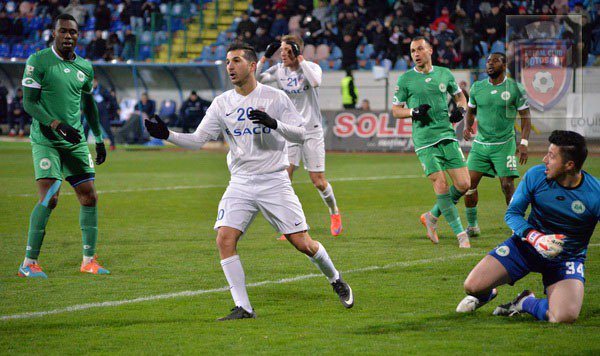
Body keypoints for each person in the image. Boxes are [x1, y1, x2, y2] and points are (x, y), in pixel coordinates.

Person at [144, 42, 353, 321]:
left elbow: (302, 134)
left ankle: (335, 278)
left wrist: (274, 124)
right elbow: (197, 140)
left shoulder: (275, 97)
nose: (230, 66)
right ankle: (243, 307)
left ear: (252, 66)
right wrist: (166, 134)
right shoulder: (222, 103)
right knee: (225, 239)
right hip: (240, 182)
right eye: (228, 61)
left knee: (302, 243)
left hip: (273, 181)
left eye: (236, 61)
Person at [456, 131, 599, 324]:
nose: (544, 159)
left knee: (563, 317)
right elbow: (512, 214)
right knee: (472, 286)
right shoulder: (536, 176)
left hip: (566, 259)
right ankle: (485, 295)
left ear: (569, 165)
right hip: (525, 247)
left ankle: (525, 302)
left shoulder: (594, 193)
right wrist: (536, 238)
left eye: (551, 156)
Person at [18, 13, 108, 279]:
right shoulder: (38, 61)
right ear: (54, 33)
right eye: (64, 31)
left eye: (73, 32)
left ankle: (89, 261)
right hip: (47, 139)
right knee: (51, 197)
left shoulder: (85, 67)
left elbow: (89, 104)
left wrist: (100, 139)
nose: (69, 36)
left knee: (89, 196)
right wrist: (56, 124)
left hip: (75, 140)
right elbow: (29, 103)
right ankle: (28, 263)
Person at [256, 35, 343, 238]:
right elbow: (256, 79)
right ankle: (291, 225)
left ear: (296, 51)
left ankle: (334, 213)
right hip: (289, 130)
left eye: (287, 51)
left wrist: (301, 58)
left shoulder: (312, 68)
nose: (282, 54)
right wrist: (264, 58)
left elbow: (315, 82)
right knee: (284, 177)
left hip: (312, 130)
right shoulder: (279, 70)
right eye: (280, 51)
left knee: (318, 181)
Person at [391, 36, 471, 248]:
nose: (415, 54)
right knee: (441, 184)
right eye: (412, 51)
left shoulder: (444, 73)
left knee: (464, 184)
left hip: (446, 134)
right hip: (424, 140)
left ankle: (432, 215)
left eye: (419, 49)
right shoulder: (406, 79)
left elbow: (460, 97)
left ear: (429, 51)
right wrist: (412, 111)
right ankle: (461, 235)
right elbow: (396, 110)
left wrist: (461, 110)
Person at [463, 53, 532, 237]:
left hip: (504, 144)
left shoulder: (515, 88)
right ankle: (472, 226)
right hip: (481, 144)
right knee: (468, 185)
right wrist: (467, 126)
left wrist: (523, 143)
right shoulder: (477, 87)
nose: (490, 64)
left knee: (507, 185)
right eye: (488, 61)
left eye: (495, 61)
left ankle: (516, 226)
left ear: (504, 65)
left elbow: (525, 117)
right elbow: (470, 111)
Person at [84, 78, 118, 150]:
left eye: (93, 82)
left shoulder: (103, 90)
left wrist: (112, 109)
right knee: (86, 128)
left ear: (96, 82)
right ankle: (83, 145)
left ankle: (113, 144)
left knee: (107, 128)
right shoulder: (88, 90)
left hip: (102, 113)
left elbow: (111, 100)